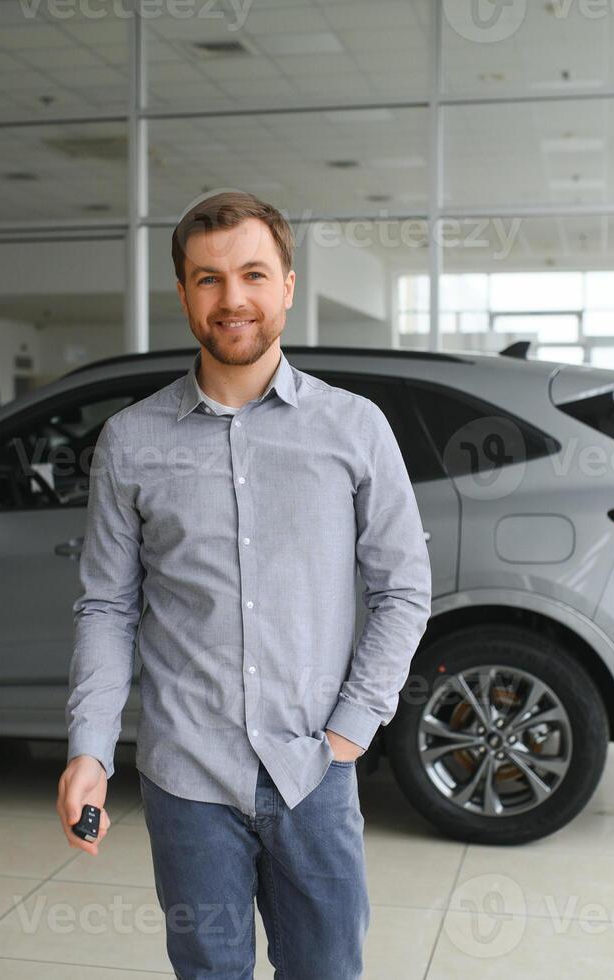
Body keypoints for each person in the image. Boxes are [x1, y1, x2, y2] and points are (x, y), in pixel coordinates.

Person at [55, 190, 432, 979]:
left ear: (287, 286)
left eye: (253, 274)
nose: (233, 299)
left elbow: (402, 588)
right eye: (207, 279)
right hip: (186, 775)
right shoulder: (130, 442)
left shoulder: (352, 427)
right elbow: (107, 605)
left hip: (313, 773)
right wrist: (90, 748)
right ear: (184, 293)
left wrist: (349, 735)